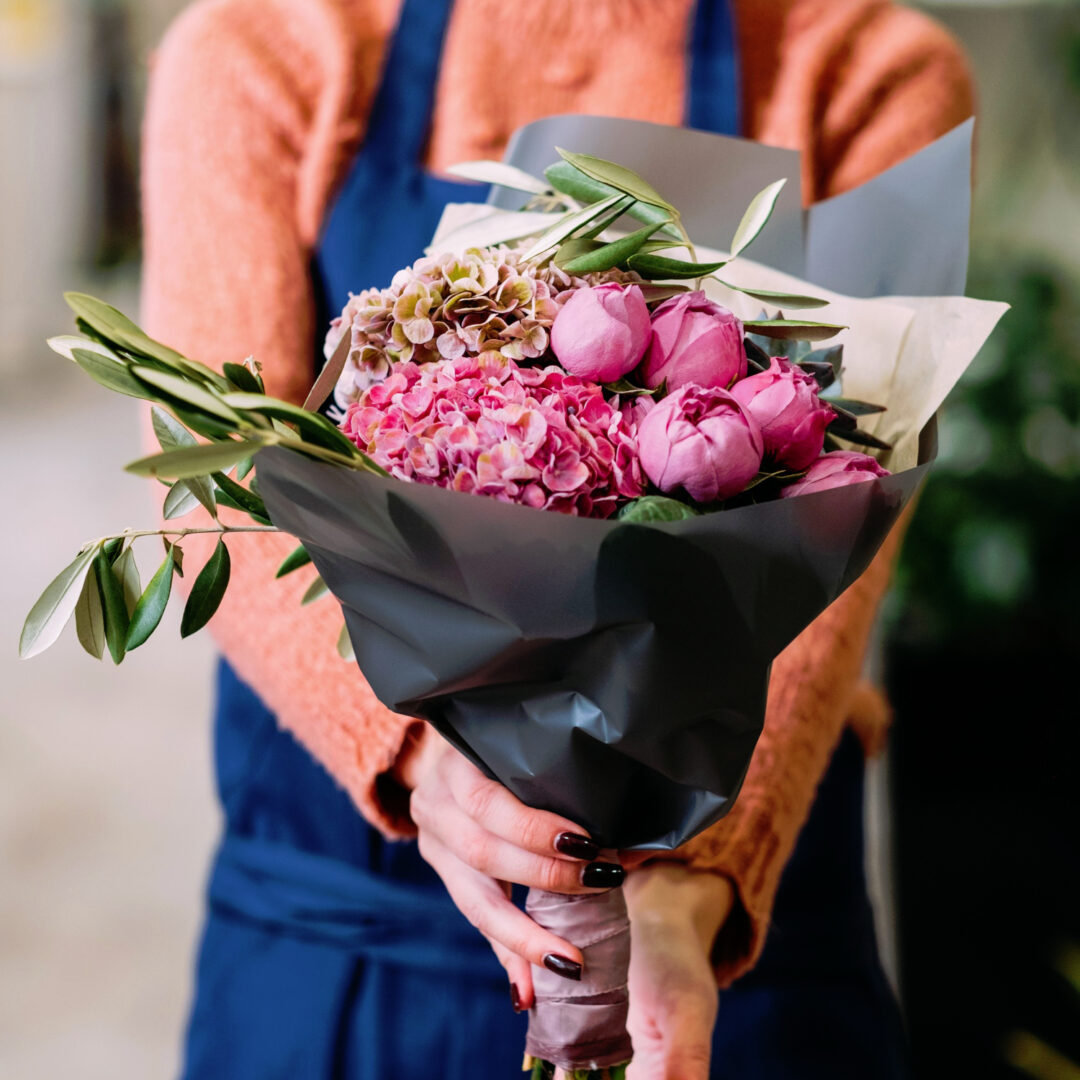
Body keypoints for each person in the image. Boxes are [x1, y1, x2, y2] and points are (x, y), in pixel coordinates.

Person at [140, 1, 973, 1076]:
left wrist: (687, 883)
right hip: (346, 942)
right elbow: (218, 488)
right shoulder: (265, 49)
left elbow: (832, 551)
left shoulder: (861, 71)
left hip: (718, 962)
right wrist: (411, 756)